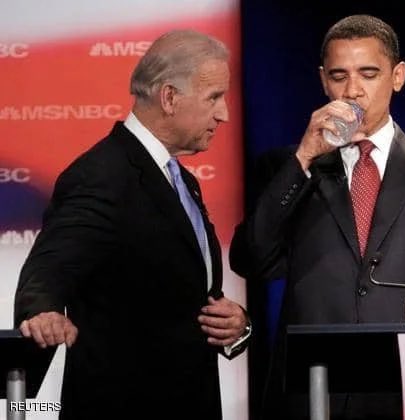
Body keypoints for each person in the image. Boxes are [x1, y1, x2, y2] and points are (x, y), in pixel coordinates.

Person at [230, 14, 405, 419]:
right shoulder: (288, 168)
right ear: (323, 80)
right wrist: (304, 158)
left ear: (398, 76)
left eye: (369, 74)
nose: (353, 90)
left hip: (404, 382)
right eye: (339, 76)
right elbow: (251, 259)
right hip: (311, 386)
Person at [14, 30, 251, 420]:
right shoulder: (102, 175)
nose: (224, 113)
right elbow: (49, 267)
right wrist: (42, 310)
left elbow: (187, 292)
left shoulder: (181, 180)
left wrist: (236, 325)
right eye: (213, 97)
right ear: (169, 97)